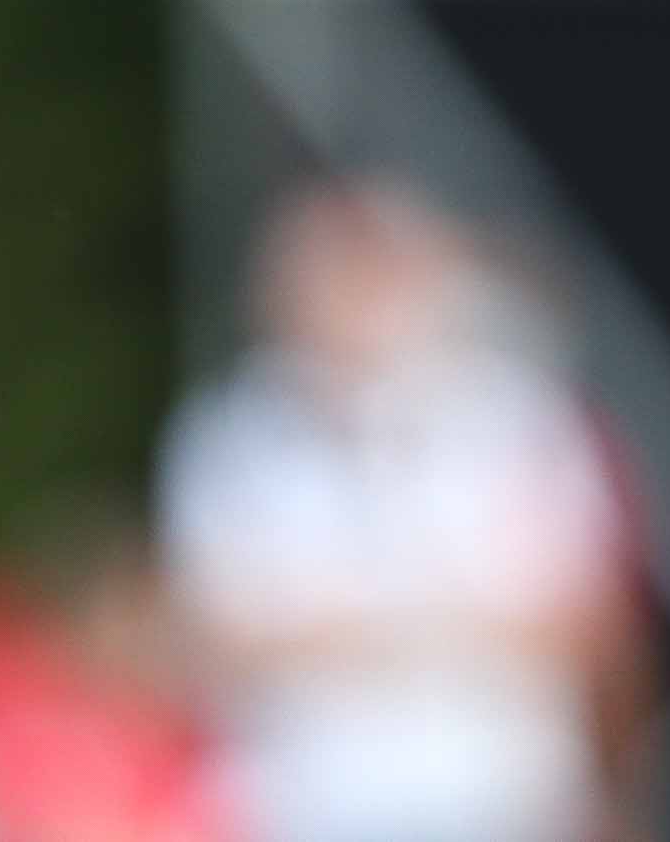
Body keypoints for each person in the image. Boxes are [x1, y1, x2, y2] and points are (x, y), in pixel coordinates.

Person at [154, 180, 644, 842]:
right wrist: (448, 626)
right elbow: (203, 642)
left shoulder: (521, 419)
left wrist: (350, 632)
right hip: (307, 805)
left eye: (372, 274)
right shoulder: (228, 438)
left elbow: (594, 624)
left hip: (502, 799)